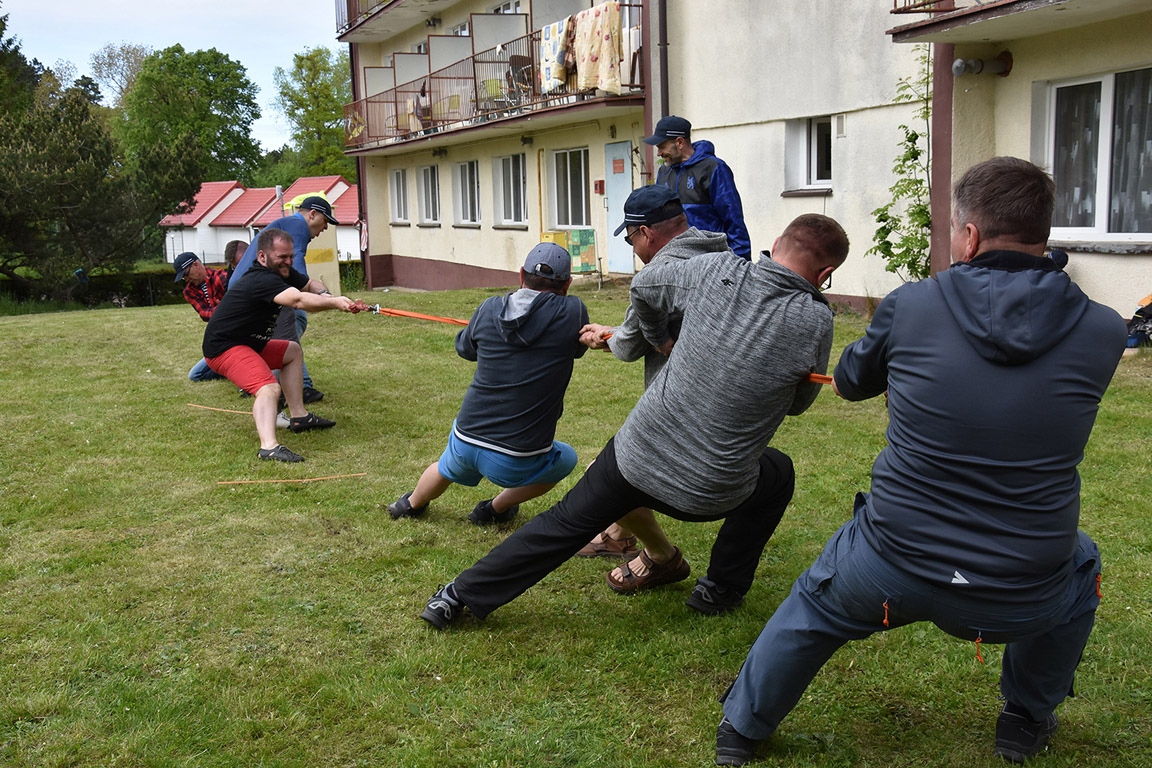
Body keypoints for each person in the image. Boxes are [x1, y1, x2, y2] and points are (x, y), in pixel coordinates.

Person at [714, 157, 1128, 766]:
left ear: (970, 236)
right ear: (1044, 233)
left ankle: (741, 728)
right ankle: (1025, 717)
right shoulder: (1105, 329)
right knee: (1081, 561)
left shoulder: (911, 305)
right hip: (1023, 585)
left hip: (890, 565)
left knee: (817, 600)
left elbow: (851, 381)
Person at [419, 213, 848, 629]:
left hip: (635, 461)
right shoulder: (815, 319)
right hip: (709, 489)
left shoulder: (717, 269)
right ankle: (719, 589)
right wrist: (663, 341)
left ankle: (455, 596)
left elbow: (643, 284)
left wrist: (662, 338)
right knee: (778, 472)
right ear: (824, 273)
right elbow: (798, 404)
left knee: (563, 524)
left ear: (775, 246)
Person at [575, 185, 731, 601]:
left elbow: (629, 346)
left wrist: (604, 338)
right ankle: (616, 534)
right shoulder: (722, 256)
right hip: (724, 402)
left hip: (684, 408)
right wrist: (617, 332)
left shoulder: (658, 273)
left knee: (608, 476)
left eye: (630, 239)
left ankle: (662, 556)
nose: (633, 249)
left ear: (645, 233)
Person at [387, 243, 590, 525]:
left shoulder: (489, 307)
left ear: (522, 275)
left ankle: (409, 504)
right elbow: (578, 349)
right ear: (567, 284)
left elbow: (465, 349)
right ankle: (495, 509)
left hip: (466, 439)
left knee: (446, 466)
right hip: (517, 458)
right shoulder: (573, 311)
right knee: (566, 458)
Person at [203, 227, 355, 462]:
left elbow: (309, 285)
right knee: (268, 388)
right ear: (262, 256)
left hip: (248, 344)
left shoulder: (281, 272)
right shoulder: (261, 279)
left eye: (291, 256)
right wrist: (335, 303)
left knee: (291, 352)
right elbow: (298, 300)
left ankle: (299, 416)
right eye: (282, 257)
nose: (288, 262)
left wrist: (326, 294)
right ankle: (269, 447)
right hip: (225, 347)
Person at [231, 196, 339, 405]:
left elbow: (296, 276)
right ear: (312, 214)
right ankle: (300, 387)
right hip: (255, 290)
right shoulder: (297, 225)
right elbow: (296, 268)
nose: (325, 227)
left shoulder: (287, 224)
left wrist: (320, 293)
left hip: (242, 291)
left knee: (289, 324)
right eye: (325, 221)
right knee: (290, 326)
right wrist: (309, 295)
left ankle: (255, 379)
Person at [645, 115, 751, 260]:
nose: (659, 153)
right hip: (675, 260)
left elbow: (734, 221)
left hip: (710, 260)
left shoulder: (714, 168)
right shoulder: (664, 172)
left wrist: (741, 263)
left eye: (662, 147)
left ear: (680, 142)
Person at [174, 251, 229, 382]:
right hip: (220, 338)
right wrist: (223, 308)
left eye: (186, 275)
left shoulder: (221, 277)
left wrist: (221, 310)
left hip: (235, 333)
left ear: (196, 265)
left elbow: (237, 305)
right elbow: (204, 314)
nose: (187, 280)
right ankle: (230, 369)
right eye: (184, 278)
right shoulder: (189, 291)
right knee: (195, 375)